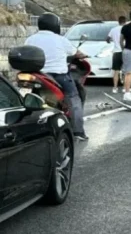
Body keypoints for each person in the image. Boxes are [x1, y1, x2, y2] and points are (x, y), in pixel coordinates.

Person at [25, 12, 89, 141]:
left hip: (38, 75)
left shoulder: (30, 39)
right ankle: (78, 131)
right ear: (55, 25)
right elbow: (76, 53)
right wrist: (83, 55)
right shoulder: (60, 39)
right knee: (74, 98)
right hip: (59, 75)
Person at [107, 15, 126, 94]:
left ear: (118, 22)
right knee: (126, 70)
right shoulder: (126, 29)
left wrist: (112, 40)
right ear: (125, 22)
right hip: (125, 51)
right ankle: (125, 88)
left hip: (116, 52)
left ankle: (115, 88)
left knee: (116, 71)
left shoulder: (113, 30)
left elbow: (107, 39)